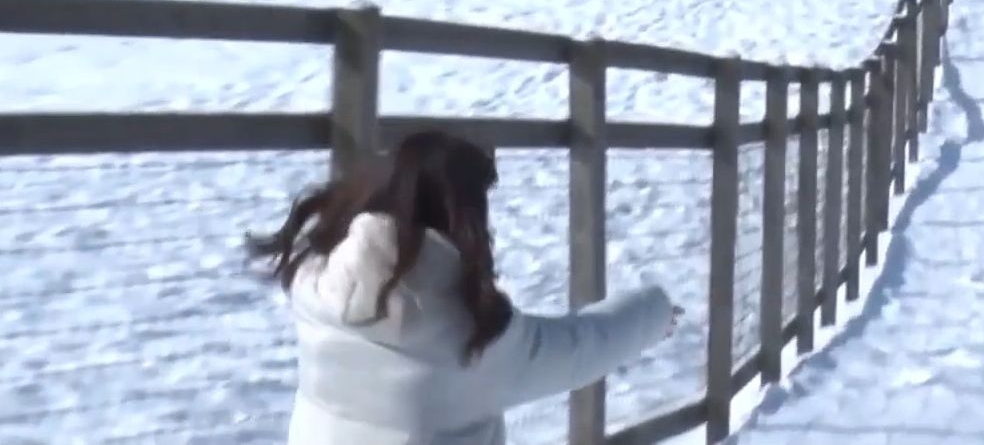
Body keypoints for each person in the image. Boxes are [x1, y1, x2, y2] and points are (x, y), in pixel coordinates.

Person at [246, 128, 678, 445]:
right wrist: (654, 310)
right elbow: (582, 347)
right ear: (464, 218)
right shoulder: (470, 340)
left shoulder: (316, 292)